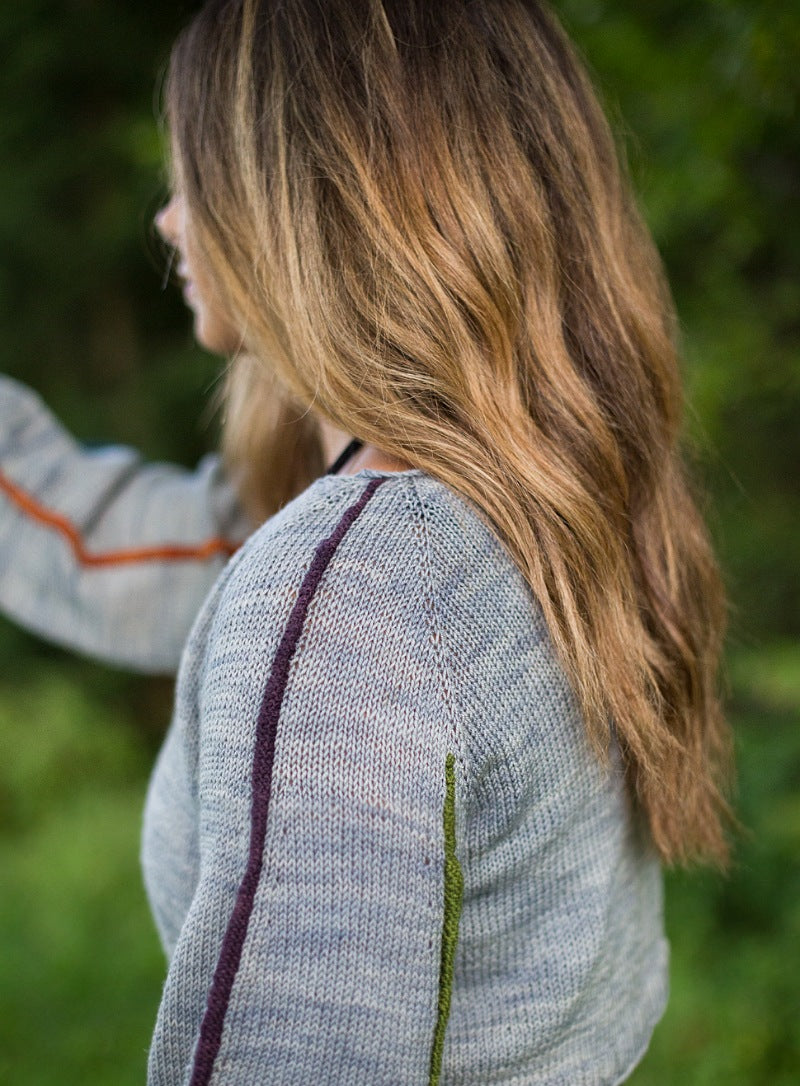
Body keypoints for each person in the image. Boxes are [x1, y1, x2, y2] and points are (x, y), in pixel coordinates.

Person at [0, 1, 734, 1082]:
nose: (168, 220)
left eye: (196, 171)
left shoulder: (356, 598)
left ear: (296, 194)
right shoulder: (523, 504)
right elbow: (135, 549)